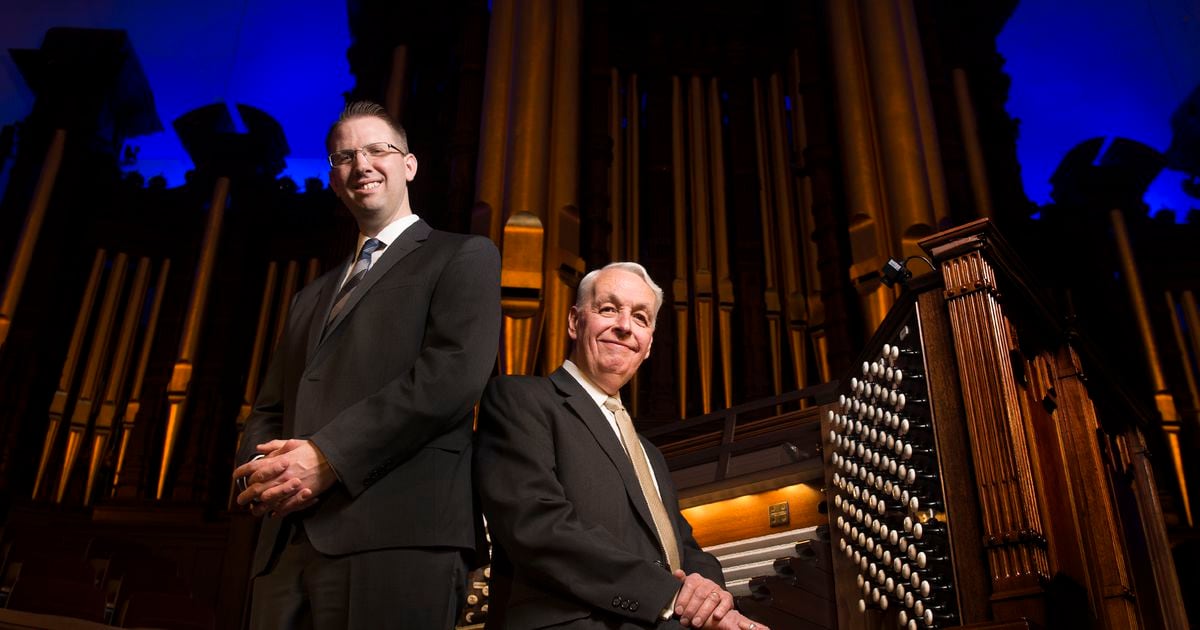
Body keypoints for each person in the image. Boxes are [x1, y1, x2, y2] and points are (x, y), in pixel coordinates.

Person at [233, 100, 501, 629]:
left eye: (378, 149)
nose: (361, 165)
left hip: (397, 536)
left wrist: (328, 457)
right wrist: (263, 477)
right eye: (344, 156)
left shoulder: (463, 255)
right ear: (334, 180)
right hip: (285, 544)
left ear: (409, 165)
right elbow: (268, 408)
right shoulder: (308, 296)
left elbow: (450, 377)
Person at [475, 262, 769, 630]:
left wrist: (710, 595)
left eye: (641, 318)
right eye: (609, 309)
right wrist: (668, 595)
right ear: (574, 321)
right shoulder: (521, 398)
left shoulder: (650, 452)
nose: (625, 326)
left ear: (647, 347)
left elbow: (683, 545)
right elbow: (537, 527)